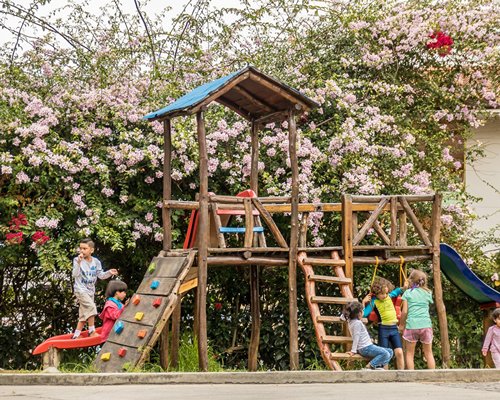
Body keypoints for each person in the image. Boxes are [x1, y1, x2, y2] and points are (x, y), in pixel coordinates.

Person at [72, 238, 118, 339]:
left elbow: (100, 275)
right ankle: (91, 331)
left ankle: (76, 335)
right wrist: (79, 263)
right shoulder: (77, 260)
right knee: (91, 307)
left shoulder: (96, 262)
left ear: (91, 250)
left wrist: (109, 272)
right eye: (80, 248)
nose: (82, 251)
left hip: (90, 291)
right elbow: (74, 274)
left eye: (85, 248)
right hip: (80, 290)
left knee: (84, 314)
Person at [362, 277, 407, 370]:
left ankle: (402, 375)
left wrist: (404, 287)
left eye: (386, 293)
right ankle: (385, 376)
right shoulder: (374, 302)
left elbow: (398, 290)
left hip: (394, 329)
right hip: (383, 330)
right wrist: (363, 302)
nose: (385, 295)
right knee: (385, 355)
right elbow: (364, 314)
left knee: (399, 352)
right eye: (382, 293)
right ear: (376, 292)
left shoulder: (389, 296)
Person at [398, 269, 435, 369]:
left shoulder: (408, 293)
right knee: (428, 353)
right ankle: (433, 377)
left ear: (411, 280)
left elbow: (404, 311)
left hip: (412, 325)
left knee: (410, 354)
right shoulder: (428, 293)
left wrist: (401, 325)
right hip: (425, 325)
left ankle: (411, 378)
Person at [341, 300, 393, 370]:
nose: (363, 312)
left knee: (390, 351)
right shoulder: (357, 323)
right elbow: (356, 337)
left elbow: (342, 317)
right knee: (385, 354)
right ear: (359, 313)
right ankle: (370, 366)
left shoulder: (350, 320)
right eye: (362, 310)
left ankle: (377, 366)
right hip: (365, 348)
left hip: (367, 346)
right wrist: (353, 351)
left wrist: (346, 313)